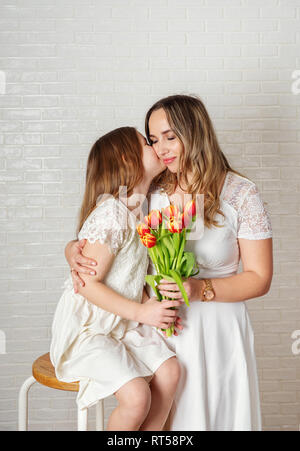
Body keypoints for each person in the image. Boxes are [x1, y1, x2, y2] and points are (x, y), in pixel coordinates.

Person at [65, 95, 273, 431]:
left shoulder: (240, 193)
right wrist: (71, 247)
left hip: (218, 331)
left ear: (196, 133)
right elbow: (105, 227)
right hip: (156, 329)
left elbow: (260, 278)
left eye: (170, 137)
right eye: (153, 139)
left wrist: (198, 288)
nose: (161, 148)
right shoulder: (150, 190)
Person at [50, 126, 182, 431]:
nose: (156, 146)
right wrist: (142, 312)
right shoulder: (112, 212)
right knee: (137, 396)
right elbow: (87, 286)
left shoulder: (140, 213)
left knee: (171, 372)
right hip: (90, 332)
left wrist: (155, 307)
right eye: (147, 142)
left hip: (120, 325)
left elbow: (131, 277)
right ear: (127, 158)